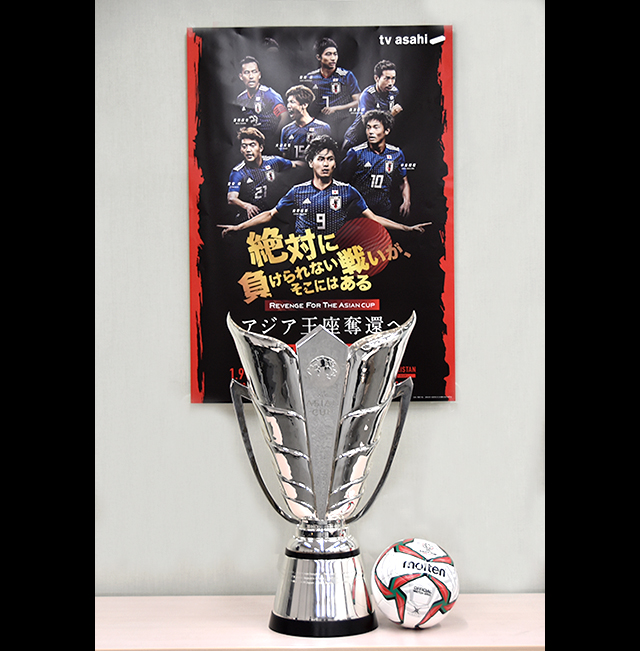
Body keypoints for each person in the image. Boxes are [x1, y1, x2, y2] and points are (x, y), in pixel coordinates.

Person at [220, 135, 429, 236]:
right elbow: (270, 214)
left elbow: (373, 218)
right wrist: (239, 227)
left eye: (330, 159)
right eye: (320, 159)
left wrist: (406, 228)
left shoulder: (347, 191)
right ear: (311, 163)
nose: (326, 164)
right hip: (305, 255)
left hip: (335, 254)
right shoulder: (298, 191)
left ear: (335, 163)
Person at [339, 110, 410, 220]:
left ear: (386, 131)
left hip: (384, 212)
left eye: (376, 127)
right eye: (368, 128)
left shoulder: (396, 153)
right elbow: (340, 180)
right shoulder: (356, 153)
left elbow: (403, 181)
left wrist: (406, 201)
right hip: (359, 213)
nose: (370, 132)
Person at [227, 127, 302, 222]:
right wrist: (246, 206)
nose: (248, 150)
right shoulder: (238, 172)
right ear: (241, 149)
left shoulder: (274, 162)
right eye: (244, 146)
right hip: (249, 219)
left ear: (261, 148)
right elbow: (231, 198)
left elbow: (296, 165)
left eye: (252, 145)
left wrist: (310, 165)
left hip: (272, 216)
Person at [300, 38, 361, 143]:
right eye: (328, 54)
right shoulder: (310, 78)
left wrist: (336, 108)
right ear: (319, 57)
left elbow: (358, 101)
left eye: (335, 54)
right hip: (319, 122)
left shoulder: (346, 75)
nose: (333, 58)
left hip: (342, 121)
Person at [342, 60, 403, 150]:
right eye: (386, 78)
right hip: (356, 139)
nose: (390, 83)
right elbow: (369, 123)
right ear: (376, 78)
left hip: (377, 139)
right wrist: (391, 114)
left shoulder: (394, 92)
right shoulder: (368, 95)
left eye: (393, 78)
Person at [235, 56, 289, 151]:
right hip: (250, 146)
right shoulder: (240, 98)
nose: (251, 76)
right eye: (247, 72)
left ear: (259, 75)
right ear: (241, 76)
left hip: (269, 145)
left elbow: (284, 116)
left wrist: (273, 139)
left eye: (254, 72)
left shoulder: (270, 95)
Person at [279, 85, 332, 162]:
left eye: (292, 102)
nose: (288, 106)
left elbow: (328, 156)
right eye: (288, 102)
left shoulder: (323, 127)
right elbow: (284, 161)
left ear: (304, 105)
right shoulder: (286, 130)